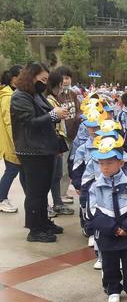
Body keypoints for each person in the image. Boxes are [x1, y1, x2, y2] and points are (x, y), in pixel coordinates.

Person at [10, 62, 68, 242]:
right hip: (31, 151)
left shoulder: (35, 95)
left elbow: (46, 115)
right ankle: (35, 230)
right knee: (35, 192)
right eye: (42, 79)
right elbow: (30, 122)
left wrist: (57, 114)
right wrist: (53, 115)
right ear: (31, 76)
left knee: (43, 190)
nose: (44, 83)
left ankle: (43, 222)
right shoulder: (20, 97)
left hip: (43, 149)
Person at [85, 146, 127, 302]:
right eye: (101, 163)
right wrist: (112, 228)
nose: (104, 167)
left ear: (120, 163)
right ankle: (113, 289)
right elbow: (92, 213)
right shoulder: (95, 187)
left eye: (109, 163)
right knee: (109, 264)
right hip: (106, 234)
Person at [46, 70, 74, 216]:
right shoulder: (49, 100)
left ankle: (58, 202)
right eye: (60, 85)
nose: (62, 88)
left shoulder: (54, 98)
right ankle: (49, 205)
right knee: (51, 176)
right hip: (52, 142)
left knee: (57, 175)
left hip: (57, 141)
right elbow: (49, 121)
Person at [56, 65, 80, 204]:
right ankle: (59, 195)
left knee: (69, 166)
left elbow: (78, 111)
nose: (65, 81)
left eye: (68, 78)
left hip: (73, 135)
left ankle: (63, 193)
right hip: (62, 136)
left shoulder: (73, 94)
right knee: (62, 168)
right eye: (63, 78)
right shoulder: (56, 95)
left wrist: (79, 117)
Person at [0, 65, 23, 213]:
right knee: (12, 169)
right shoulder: (8, 97)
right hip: (10, 141)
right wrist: (16, 143)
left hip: (13, 140)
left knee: (12, 170)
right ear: (14, 78)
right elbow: (9, 122)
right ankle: (1, 199)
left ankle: (2, 197)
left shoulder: (13, 93)